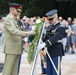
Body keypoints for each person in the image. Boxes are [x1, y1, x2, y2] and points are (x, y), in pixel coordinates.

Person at [2, 3, 35, 75]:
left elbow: (19, 31)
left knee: (14, 71)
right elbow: (14, 31)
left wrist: (27, 33)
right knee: (7, 71)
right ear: (12, 10)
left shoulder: (14, 19)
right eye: (17, 11)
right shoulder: (8, 19)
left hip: (15, 48)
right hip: (11, 48)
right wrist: (28, 33)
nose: (19, 12)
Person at [37, 9, 67, 75]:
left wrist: (44, 44)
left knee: (55, 71)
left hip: (56, 52)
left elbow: (54, 38)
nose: (50, 21)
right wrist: (40, 41)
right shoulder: (50, 27)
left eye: (51, 19)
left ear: (56, 18)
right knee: (49, 71)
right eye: (49, 19)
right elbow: (46, 37)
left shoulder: (60, 27)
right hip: (49, 52)